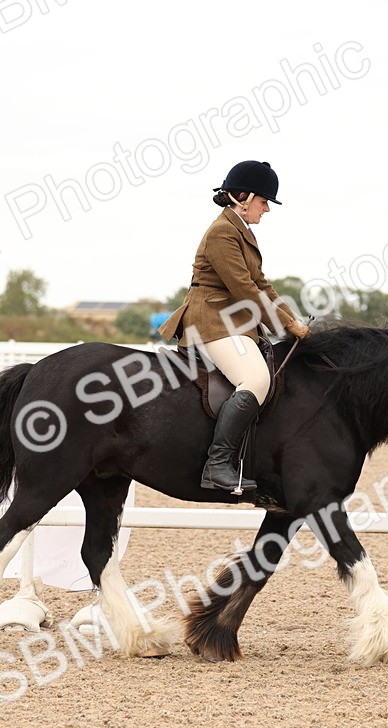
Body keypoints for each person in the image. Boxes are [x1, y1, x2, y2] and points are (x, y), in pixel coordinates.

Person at [157, 160, 309, 494]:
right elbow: (243, 289)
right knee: (256, 379)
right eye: (263, 201)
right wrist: (284, 323)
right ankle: (218, 464)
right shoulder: (222, 232)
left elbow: (262, 284)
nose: (267, 208)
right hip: (211, 321)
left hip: (233, 321)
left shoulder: (241, 230)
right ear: (244, 197)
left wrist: (292, 320)